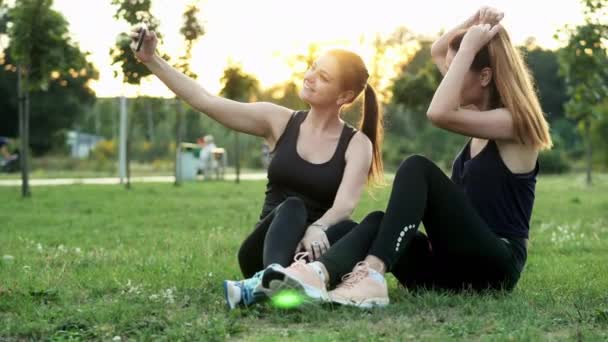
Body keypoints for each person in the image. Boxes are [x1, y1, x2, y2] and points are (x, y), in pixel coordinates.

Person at [263, 6, 552, 308]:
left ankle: (373, 276)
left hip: (496, 267)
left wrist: (468, 45)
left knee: (417, 167)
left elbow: (437, 112)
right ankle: (315, 275)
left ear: (484, 77)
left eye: (457, 69)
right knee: (374, 222)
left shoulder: (516, 123)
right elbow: (439, 50)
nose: (447, 77)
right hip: (453, 270)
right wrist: (473, 25)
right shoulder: (478, 117)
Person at [129, 26, 384, 309]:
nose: (309, 77)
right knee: (293, 206)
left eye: (322, 77)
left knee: (363, 224)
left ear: (343, 97)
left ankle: (302, 282)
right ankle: (269, 278)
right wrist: (152, 59)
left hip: (310, 255)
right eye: (312, 68)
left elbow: (345, 205)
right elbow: (206, 101)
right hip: (263, 251)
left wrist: (317, 228)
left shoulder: (357, 144)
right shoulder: (278, 121)